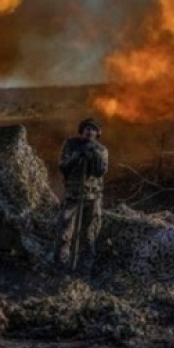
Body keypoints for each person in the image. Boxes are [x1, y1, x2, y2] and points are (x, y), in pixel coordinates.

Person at [54, 117, 109, 279]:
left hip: (92, 197)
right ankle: (60, 267)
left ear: (97, 133)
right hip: (73, 195)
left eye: (93, 129)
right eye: (86, 128)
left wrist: (94, 157)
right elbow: (63, 166)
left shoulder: (101, 149)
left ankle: (85, 270)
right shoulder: (70, 144)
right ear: (82, 130)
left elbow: (101, 172)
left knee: (88, 235)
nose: (89, 132)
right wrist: (77, 156)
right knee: (64, 231)